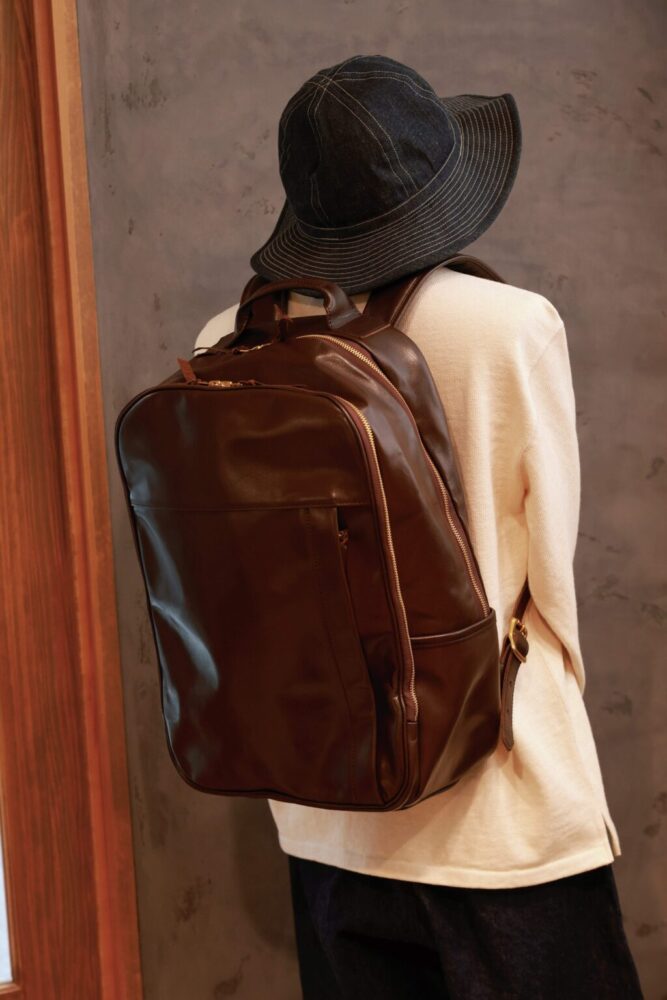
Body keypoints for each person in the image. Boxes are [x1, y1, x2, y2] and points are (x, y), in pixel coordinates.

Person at [195, 54, 644, 1000]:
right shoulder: (510, 327)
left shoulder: (227, 343)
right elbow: (550, 587)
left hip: (326, 814)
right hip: (497, 808)